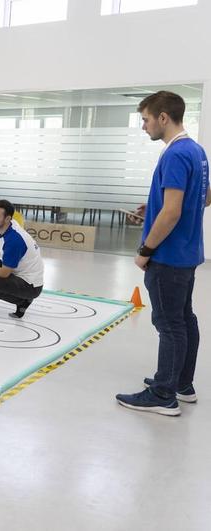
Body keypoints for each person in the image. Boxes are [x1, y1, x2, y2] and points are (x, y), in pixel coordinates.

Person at [116, 91, 210, 416]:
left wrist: (145, 249)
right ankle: (181, 383)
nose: (144, 127)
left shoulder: (174, 155)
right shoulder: (196, 151)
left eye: (145, 119)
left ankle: (163, 394)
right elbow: (203, 196)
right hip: (188, 252)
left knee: (169, 324)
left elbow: (171, 213)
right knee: (184, 319)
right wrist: (154, 204)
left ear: (163, 118)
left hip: (168, 256)